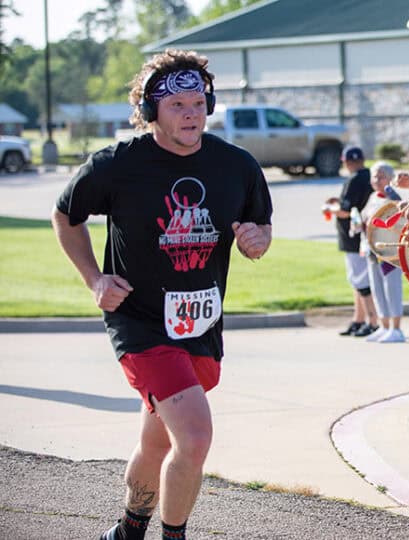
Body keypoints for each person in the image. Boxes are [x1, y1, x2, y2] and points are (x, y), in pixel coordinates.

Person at [51, 49, 273, 540]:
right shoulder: (116, 165)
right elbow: (65, 216)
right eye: (177, 106)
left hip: (201, 325)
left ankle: (128, 530)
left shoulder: (236, 166)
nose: (191, 114)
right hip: (140, 321)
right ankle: (174, 536)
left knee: (157, 443)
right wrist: (95, 279)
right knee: (194, 438)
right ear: (150, 111)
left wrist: (257, 240)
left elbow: (259, 226)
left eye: (198, 103)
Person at [326, 146, 377, 338]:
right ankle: (359, 318)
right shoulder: (369, 176)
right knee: (358, 280)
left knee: (360, 280)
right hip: (365, 234)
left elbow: (346, 210)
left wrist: (331, 208)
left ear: (347, 162)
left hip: (353, 236)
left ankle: (371, 320)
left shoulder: (354, 179)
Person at [361, 161, 406, 343]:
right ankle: (384, 325)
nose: (377, 180)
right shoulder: (373, 197)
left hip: (389, 250)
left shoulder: (392, 197)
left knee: (391, 287)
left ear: (390, 178)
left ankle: (396, 327)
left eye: (381, 176)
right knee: (376, 287)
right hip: (371, 248)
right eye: (375, 176)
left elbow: (400, 214)